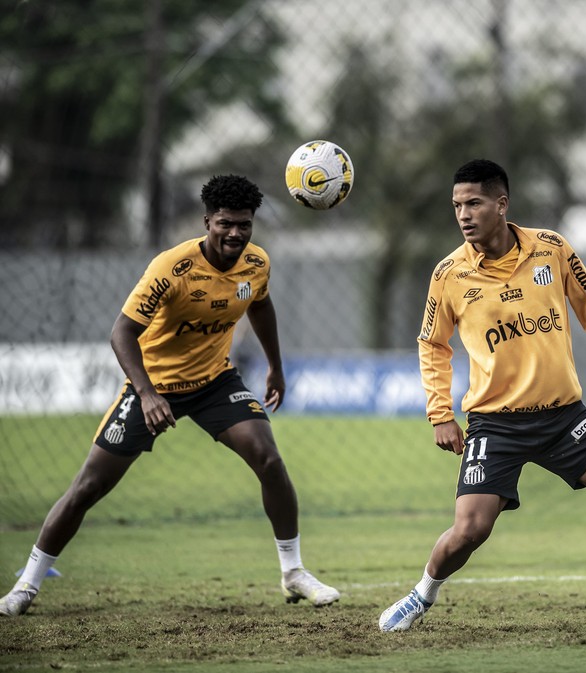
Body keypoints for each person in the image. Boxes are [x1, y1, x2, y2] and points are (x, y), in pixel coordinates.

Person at [377, 159, 586, 632]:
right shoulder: (449, 274)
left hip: (564, 419)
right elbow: (432, 345)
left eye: (474, 203)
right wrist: (440, 413)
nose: (463, 214)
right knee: (470, 531)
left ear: (501, 205)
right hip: (495, 425)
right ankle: (421, 596)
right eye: (457, 205)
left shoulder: (552, 249)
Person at [0, 174, 340, 617]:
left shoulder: (256, 264)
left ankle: (293, 572)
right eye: (225, 223)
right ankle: (27, 582)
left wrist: (275, 366)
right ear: (207, 221)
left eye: (244, 224)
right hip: (155, 386)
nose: (235, 233)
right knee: (90, 486)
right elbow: (121, 333)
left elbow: (259, 304)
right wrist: (146, 394)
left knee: (269, 460)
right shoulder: (171, 267)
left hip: (216, 382)